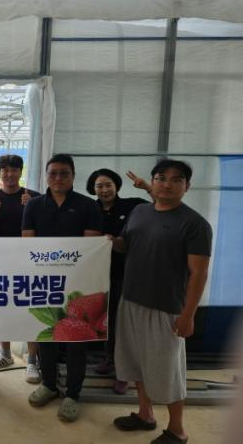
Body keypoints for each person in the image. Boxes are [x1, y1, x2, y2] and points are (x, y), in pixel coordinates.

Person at [111, 160, 212, 444]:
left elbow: (198, 274)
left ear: (187, 186)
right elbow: (126, 244)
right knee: (135, 364)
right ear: (153, 182)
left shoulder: (195, 224)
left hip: (166, 308)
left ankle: (177, 430)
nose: (167, 184)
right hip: (131, 300)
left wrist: (188, 315)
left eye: (176, 179)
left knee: (167, 373)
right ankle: (145, 415)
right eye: (160, 178)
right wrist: (110, 242)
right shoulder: (140, 211)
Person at [23, 154, 103, 423]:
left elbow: (89, 247)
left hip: (78, 283)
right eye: (53, 173)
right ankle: (48, 385)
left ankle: (73, 394)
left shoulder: (88, 206)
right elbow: (28, 243)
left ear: (73, 176)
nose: (58, 178)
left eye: (64, 173)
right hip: (44, 282)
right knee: (47, 336)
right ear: (46, 176)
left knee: (75, 341)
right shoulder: (34, 205)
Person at [86, 168, 150, 394]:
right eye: (99, 186)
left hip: (125, 272)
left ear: (116, 186)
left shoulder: (132, 206)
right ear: (93, 189)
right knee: (107, 319)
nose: (104, 190)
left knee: (124, 322)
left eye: (108, 185)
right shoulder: (89, 208)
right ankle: (110, 359)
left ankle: (126, 373)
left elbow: (160, 204)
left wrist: (147, 187)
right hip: (96, 274)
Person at [0, 155, 40, 379]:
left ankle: (32, 360)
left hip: (28, 264)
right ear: (0, 173)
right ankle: (6, 353)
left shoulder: (33, 197)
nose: (9, 174)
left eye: (14, 170)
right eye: (5, 170)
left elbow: (44, 228)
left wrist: (32, 208)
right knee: (2, 309)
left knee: (31, 311)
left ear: (20, 172)